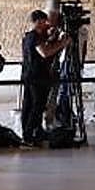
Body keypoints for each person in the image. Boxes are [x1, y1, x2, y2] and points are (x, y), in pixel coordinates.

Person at [20, 9, 68, 146]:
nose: (48, 24)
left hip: (31, 75)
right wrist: (62, 44)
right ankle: (29, 135)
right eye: (45, 21)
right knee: (37, 105)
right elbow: (45, 53)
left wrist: (52, 39)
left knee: (30, 104)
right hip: (36, 76)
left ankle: (31, 132)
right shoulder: (33, 36)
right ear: (38, 21)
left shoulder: (31, 36)